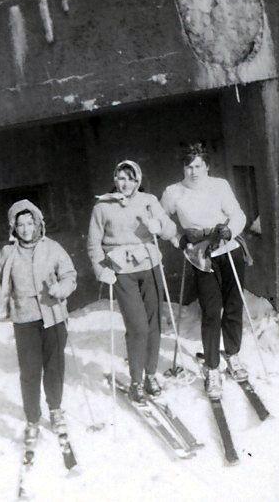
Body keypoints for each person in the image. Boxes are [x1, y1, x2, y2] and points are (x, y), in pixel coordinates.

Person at [161, 143, 250, 400]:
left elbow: (238, 214)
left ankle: (232, 354)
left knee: (233, 305)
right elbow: (159, 216)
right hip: (201, 256)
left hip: (228, 249)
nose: (193, 171)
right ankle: (212, 367)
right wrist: (176, 237)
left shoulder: (219, 185)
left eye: (198, 165)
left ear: (206, 166)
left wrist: (230, 230)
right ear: (183, 167)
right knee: (211, 311)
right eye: (188, 165)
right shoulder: (173, 192)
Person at [0, 199, 77, 446]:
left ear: (38, 223)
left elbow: (69, 275)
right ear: (14, 227)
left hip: (53, 315)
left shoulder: (52, 247)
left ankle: (55, 411)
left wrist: (61, 288)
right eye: (20, 224)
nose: (26, 229)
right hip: (24, 318)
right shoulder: (8, 253)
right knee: (30, 372)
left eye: (30, 223)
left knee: (54, 366)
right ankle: (33, 419)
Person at [87, 160, 177, 403]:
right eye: (121, 178)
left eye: (130, 178)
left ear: (138, 180)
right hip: (121, 270)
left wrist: (157, 226)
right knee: (138, 327)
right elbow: (94, 244)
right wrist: (100, 269)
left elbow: (170, 230)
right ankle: (136, 380)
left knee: (154, 324)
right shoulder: (102, 206)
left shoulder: (149, 201)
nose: (125, 183)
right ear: (115, 179)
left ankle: (150, 375)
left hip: (150, 265)